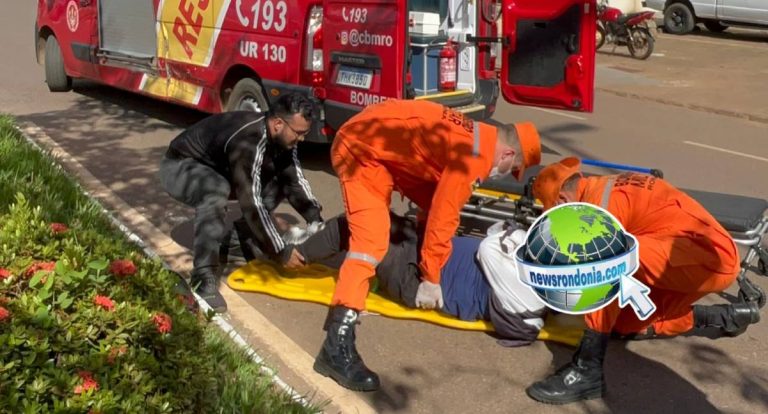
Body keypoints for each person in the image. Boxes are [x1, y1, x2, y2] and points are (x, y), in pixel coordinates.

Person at [315, 99, 542, 392]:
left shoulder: (475, 136)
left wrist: (426, 235)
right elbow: (444, 213)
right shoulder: (474, 157)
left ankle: (304, 251)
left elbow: (433, 193)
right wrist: (432, 278)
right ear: (508, 153)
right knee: (369, 246)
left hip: (376, 145)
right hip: (361, 150)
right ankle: (335, 347)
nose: (506, 174)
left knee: (379, 232)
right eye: (513, 168)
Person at [525, 157, 762, 404]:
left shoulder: (598, 207)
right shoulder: (600, 187)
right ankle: (726, 316)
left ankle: (586, 370)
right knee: (626, 324)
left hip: (707, 258)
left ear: (563, 200)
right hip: (695, 257)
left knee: (604, 263)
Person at [159, 93, 323, 313]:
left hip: (219, 169)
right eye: (299, 133)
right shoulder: (248, 140)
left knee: (279, 181)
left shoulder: (283, 139)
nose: (301, 139)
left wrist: (316, 219)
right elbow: (251, 200)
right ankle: (203, 276)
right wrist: (280, 251)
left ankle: (238, 239)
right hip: (180, 168)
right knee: (216, 191)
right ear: (277, 124)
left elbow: (294, 180)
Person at [286, 213, 547, 347]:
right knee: (366, 233)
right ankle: (309, 245)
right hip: (423, 253)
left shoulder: (524, 289)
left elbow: (491, 244)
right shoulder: (532, 293)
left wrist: (516, 236)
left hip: (416, 277)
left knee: (354, 226)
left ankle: (295, 253)